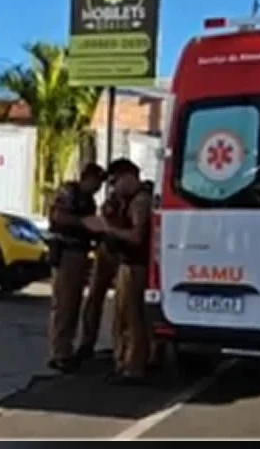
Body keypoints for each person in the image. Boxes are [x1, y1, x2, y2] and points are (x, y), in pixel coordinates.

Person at [86, 158, 153, 385]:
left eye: (115, 182)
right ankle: (124, 361)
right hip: (126, 263)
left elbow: (136, 236)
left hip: (136, 264)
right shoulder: (125, 200)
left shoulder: (141, 201)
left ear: (128, 177)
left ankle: (133, 365)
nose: (114, 188)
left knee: (132, 317)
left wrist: (109, 228)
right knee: (122, 315)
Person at [45, 162, 106, 373]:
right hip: (66, 251)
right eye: (96, 181)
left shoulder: (88, 199)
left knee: (74, 303)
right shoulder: (69, 192)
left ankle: (66, 350)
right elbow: (58, 217)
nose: (98, 186)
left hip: (79, 252)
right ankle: (59, 353)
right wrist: (84, 223)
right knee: (64, 304)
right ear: (87, 178)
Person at [73, 182, 126, 363]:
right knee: (94, 297)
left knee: (124, 304)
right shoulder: (111, 202)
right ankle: (87, 342)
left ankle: (122, 349)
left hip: (122, 252)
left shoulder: (136, 201)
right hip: (107, 248)